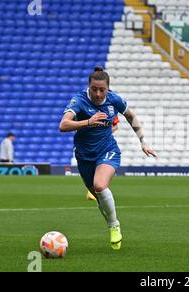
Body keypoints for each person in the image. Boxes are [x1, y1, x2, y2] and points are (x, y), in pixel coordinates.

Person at [59, 66, 156, 250]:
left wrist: (143, 141)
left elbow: (131, 116)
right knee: (98, 197)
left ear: (108, 88)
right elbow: (63, 125)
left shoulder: (114, 100)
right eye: (94, 89)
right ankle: (111, 223)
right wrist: (88, 121)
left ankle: (114, 225)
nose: (97, 93)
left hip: (107, 150)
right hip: (84, 156)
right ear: (89, 87)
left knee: (100, 185)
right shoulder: (79, 100)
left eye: (102, 89)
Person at [87, 116, 119, 201]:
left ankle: (98, 190)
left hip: (104, 146)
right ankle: (94, 190)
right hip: (88, 145)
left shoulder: (110, 108)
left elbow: (115, 126)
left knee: (102, 169)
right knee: (90, 170)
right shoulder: (84, 108)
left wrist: (104, 133)